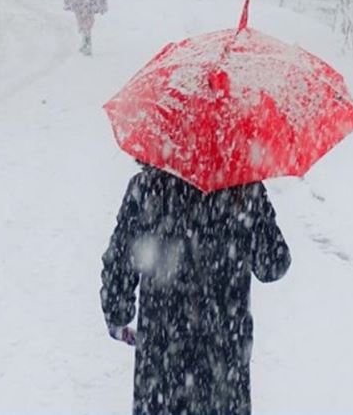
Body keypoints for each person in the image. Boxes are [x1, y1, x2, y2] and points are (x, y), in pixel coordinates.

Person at [100, 164, 291, 415]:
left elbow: (119, 262)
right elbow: (273, 266)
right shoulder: (243, 192)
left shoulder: (147, 187)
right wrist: (255, 202)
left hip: (161, 353)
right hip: (224, 354)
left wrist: (118, 314)